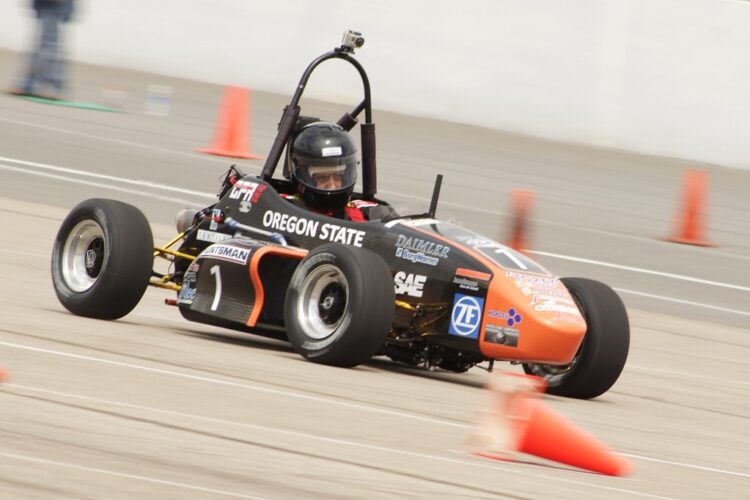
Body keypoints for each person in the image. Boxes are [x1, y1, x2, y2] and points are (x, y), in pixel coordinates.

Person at [286, 121, 376, 221]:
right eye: (322, 178)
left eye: (338, 176)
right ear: (303, 176)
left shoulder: (358, 214)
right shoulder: (284, 209)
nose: (332, 186)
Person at [9, 0, 76, 100]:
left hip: (57, 4)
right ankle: (29, 84)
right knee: (41, 42)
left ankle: (52, 86)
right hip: (44, 3)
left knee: (49, 43)